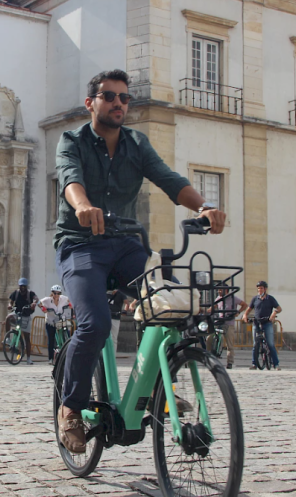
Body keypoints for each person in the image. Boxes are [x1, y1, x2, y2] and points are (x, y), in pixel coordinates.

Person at [54, 69, 226, 454]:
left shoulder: (136, 143)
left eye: (124, 97)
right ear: (91, 103)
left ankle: (160, 388)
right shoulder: (72, 141)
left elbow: (168, 179)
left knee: (169, 305)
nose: (118, 103)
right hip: (80, 246)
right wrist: (82, 206)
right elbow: (70, 178)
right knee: (96, 324)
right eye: (109, 96)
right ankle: (71, 408)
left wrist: (205, 206)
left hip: (126, 246)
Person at [241, 281, 282, 371]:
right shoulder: (255, 299)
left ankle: (276, 364)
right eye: (258, 288)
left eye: (261, 288)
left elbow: (279, 308)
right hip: (256, 322)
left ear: (265, 289)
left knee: (270, 344)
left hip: (267, 322)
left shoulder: (270, 299)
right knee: (255, 344)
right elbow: (249, 309)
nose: (260, 290)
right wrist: (245, 315)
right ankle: (254, 364)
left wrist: (274, 313)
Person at [208, 284, 247, 369]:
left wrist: (238, 312)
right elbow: (212, 307)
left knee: (230, 344)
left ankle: (230, 362)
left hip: (229, 323)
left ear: (226, 290)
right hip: (219, 321)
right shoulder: (218, 298)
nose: (219, 291)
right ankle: (209, 357)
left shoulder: (233, 298)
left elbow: (244, 304)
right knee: (209, 338)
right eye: (218, 290)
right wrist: (206, 311)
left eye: (220, 290)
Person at [6, 278, 39, 365]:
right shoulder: (16, 293)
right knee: (8, 318)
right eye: (21, 286)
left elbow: (36, 298)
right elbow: (11, 302)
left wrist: (34, 303)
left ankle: (28, 358)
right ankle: (8, 338)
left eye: (24, 286)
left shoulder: (30, 293)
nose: (22, 288)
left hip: (26, 315)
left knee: (27, 337)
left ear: (26, 286)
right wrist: (9, 306)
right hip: (17, 313)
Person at [39, 285, 71, 365]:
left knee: (68, 334)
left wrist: (71, 305)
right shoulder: (47, 300)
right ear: (52, 293)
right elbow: (38, 302)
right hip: (51, 321)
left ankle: (67, 351)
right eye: (55, 293)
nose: (56, 295)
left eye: (58, 293)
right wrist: (43, 308)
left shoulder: (63, 299)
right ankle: (50, 358)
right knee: (51, 339)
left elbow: (70, 300)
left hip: (61, 320)